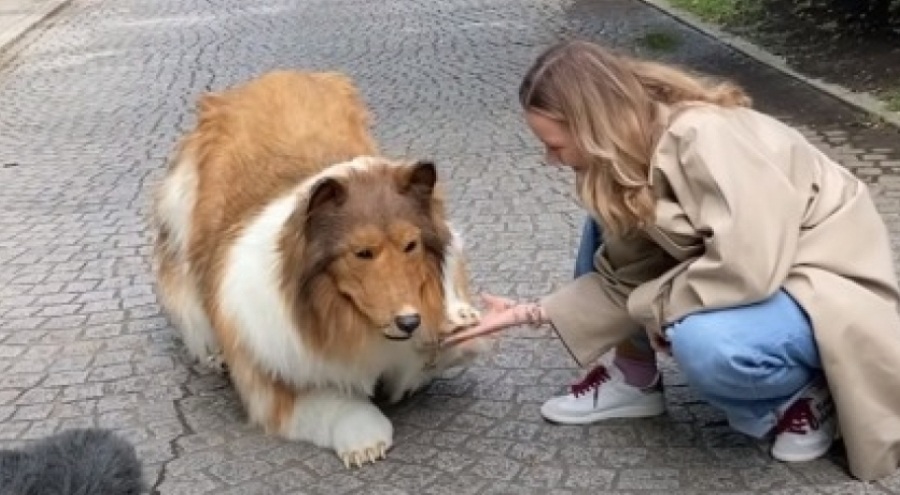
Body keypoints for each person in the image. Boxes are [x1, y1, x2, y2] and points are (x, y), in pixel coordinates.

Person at [442, 39, 900, 481]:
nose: (550, 159)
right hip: (761, 274)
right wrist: (530, 312)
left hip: (820, 282)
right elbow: (628, 273)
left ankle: (805, 394)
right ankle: (633, 375)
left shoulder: (706, 136)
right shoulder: (627, 156)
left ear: (591, 125)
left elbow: (747, 267)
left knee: (707, 343)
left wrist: (658, 309)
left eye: (555, 145)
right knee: (606, 221)